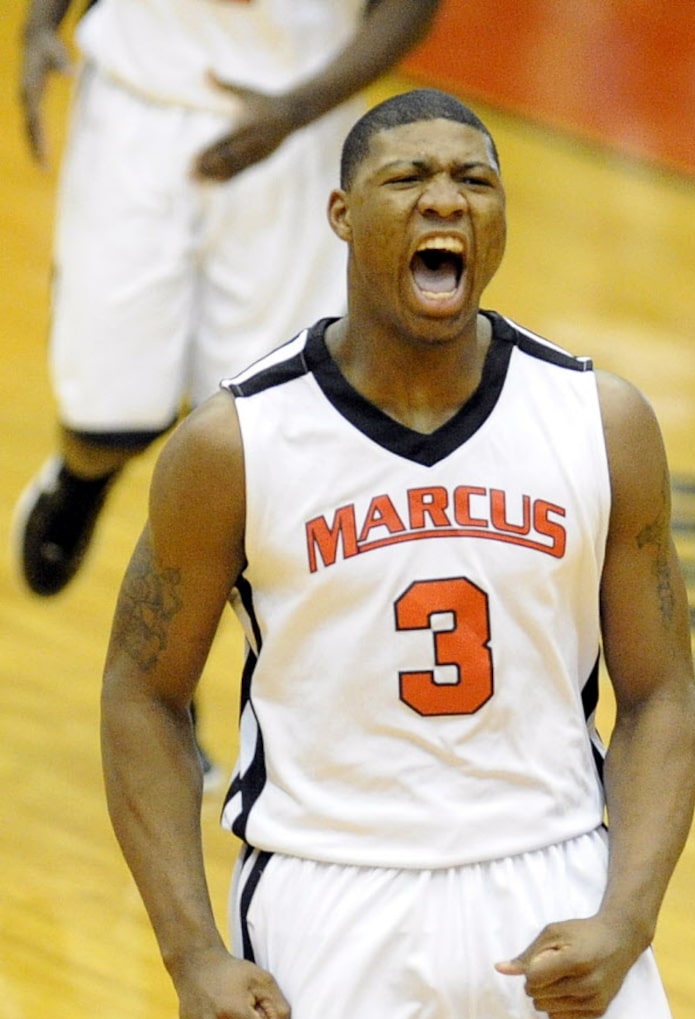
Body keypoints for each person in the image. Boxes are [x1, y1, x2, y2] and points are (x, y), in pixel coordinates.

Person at [101, 88, 695, 1019]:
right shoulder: (235, 444)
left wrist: (627, 913)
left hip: (553, 884)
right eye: (409, 180)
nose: (446, 203)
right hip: (334, 904)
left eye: (474, 182)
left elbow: (658, 693)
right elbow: (140, 693)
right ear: (339, 213)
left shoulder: (597, 423)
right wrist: (191, 951)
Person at [13, 0, 442, 598]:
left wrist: (296, 110)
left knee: (259, 448)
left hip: (302, 117)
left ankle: (170, 672)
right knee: (108, 416)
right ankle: (83, 476)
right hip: (139, 95)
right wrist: (38, 25)